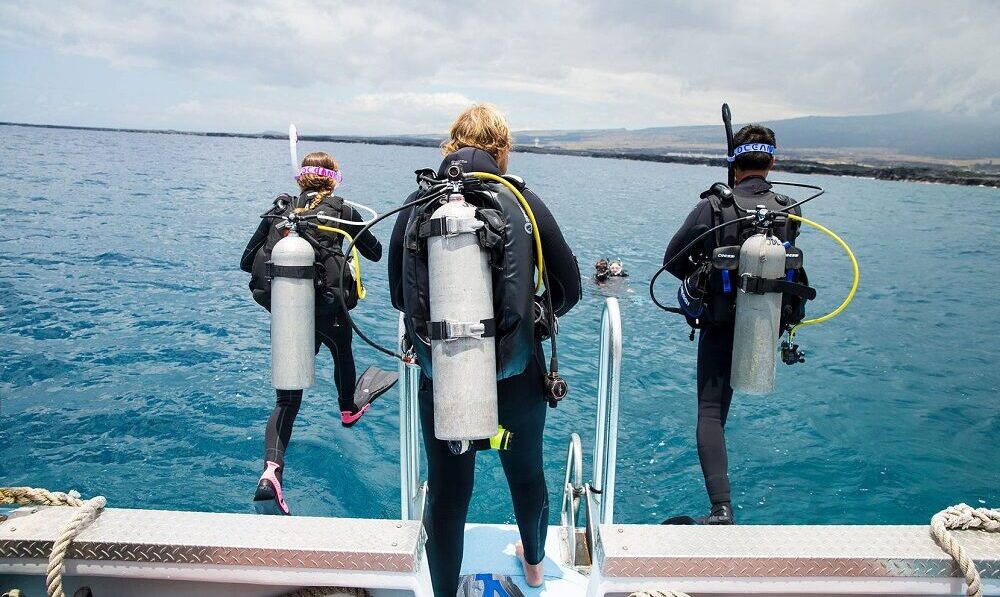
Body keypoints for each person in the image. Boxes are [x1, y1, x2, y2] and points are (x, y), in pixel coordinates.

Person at [388, 104, 581, 596]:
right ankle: (535, 568)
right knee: (526, 473)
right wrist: (529, 315)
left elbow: (397, 294)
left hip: (446, 375)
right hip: (517, 379)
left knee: (449, 492)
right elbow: (571, 286)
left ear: (450, 144)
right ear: (502, 148)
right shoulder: (522, 200)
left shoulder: (419, 202)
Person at [661, 124, 805, 525]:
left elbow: (672, 260)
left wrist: (705, 274)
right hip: (768, 324)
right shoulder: (790, 208)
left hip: (721, 326)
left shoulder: (713, 206)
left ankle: (721, 509)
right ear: (773, 160)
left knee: (710, 414)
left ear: (732, 162)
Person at [240, 151, 384, 515]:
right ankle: (348, 408)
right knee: (342, 351)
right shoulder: (341, 212)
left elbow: (246, 262)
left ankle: (271, 471)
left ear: (300, 180)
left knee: (286, 401)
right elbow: (376, 252)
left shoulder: (280, 211)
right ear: (333, 179)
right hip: (328, 312)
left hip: (289, 314)